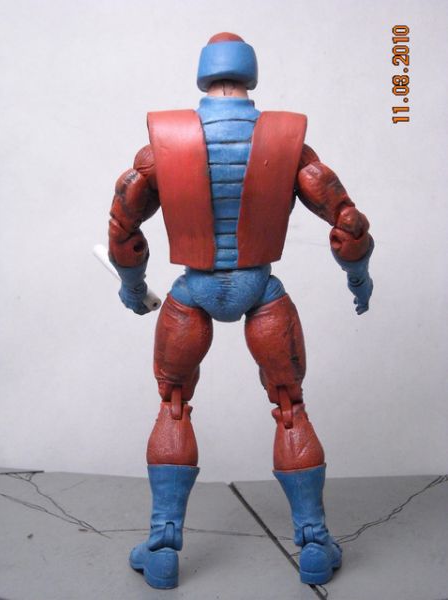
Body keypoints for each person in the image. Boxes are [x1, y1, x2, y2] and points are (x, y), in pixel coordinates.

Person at [108, 32, 374, 590]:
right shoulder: (288, 142)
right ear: (250, 75)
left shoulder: (162, 145)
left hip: (194, 290)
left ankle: (162, 548)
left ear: (203, 76)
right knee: (290, 406)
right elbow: (348, 223)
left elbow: (123, 225)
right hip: (260, 288)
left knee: (173, 405)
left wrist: (134, 287)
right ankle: (314, 545)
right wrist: (358, 276)